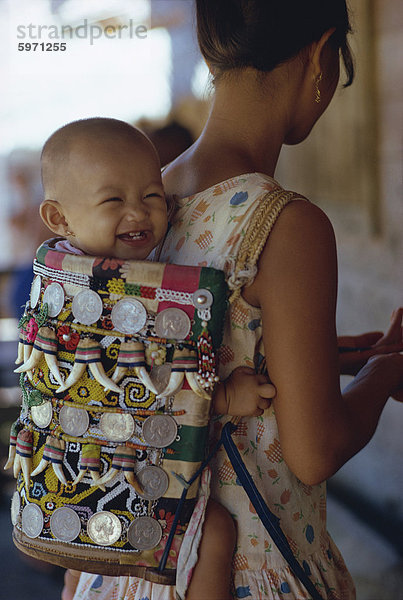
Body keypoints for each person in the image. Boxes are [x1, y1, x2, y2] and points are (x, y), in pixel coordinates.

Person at [69, 2, 403, 599]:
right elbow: (314, 451)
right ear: (322, 55)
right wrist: (384, 374)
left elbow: (158, 358)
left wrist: (323, 359)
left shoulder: (143, 205)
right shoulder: (285, 223)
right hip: (246, 571)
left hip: (128, 565)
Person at [37, 117, 275, 600]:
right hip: (107, 471)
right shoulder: (98, 293)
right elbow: (135, 385)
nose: (138, 213)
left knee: (77, 566)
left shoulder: (58, 273)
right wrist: (225, 395)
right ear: (59, 218)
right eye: (113, 201)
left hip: (84, 482)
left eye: (151, 196)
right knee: (216, 533)